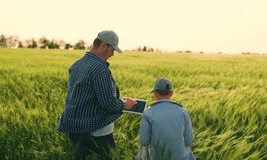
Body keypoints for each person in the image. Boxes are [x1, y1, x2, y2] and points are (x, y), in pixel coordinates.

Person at [57, 30, 136, 160]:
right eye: (112, 50)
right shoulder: (99, 68)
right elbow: (108, 103)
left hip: (74, 127)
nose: (112, 54)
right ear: (103, 45)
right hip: (95, 129)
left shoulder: (76, 64)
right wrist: (125, 105)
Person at [139, 78, 195, 160]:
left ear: (155, 93)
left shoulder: (148, 112)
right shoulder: (183, 111)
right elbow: (189, 141)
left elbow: (144, 141)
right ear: (171, 93)